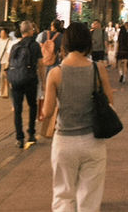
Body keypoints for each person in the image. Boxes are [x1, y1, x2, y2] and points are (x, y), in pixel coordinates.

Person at [42, 22, 114, 212]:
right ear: (88, 43)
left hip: (64, 142)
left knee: (63, 195)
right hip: (93, 141)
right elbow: (110, 102)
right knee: (90, 198)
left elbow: (48, 111)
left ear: (65, 44)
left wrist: (42, 114)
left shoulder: (55, 73)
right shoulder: (98, 69)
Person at [8, 20, 44, 149]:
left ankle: (19, 138)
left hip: (16, 80)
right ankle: (31, 133)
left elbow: (9, 64)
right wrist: (43, 82)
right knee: (32, 106)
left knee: (17, 110)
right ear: (30, 31)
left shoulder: (14, 46)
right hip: (30, 79)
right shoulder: (35, 45)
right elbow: (40, 65)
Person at [0, 28, 12, 98]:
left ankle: (3, 90)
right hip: (0, 60)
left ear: (6, 34)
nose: (1, 34)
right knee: (0, 76)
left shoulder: (9, 41)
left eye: (2, 33)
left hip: (6, 61)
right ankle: (2, 90)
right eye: (0, 33)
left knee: (3, 76)